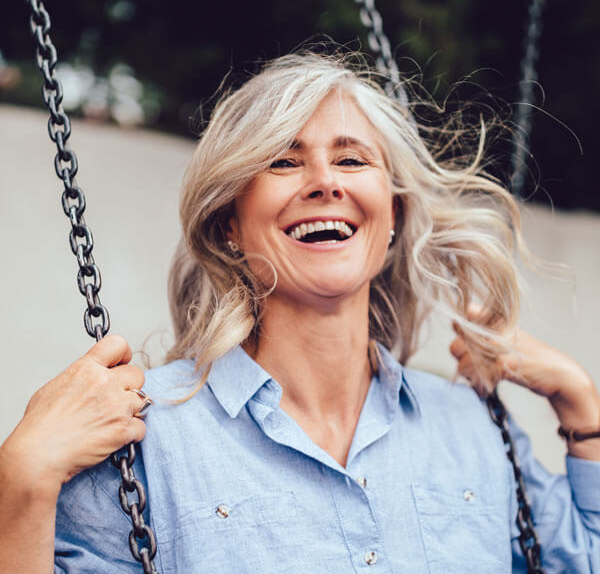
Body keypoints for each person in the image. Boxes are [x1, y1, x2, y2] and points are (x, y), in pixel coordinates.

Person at [1, 53, 599, 573]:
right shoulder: (143, 440)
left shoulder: (472, 426)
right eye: (284, 162)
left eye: (352, 160)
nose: (323, 183)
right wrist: (21, 479)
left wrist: (580, 405)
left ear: (393, 215)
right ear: (228, 223)